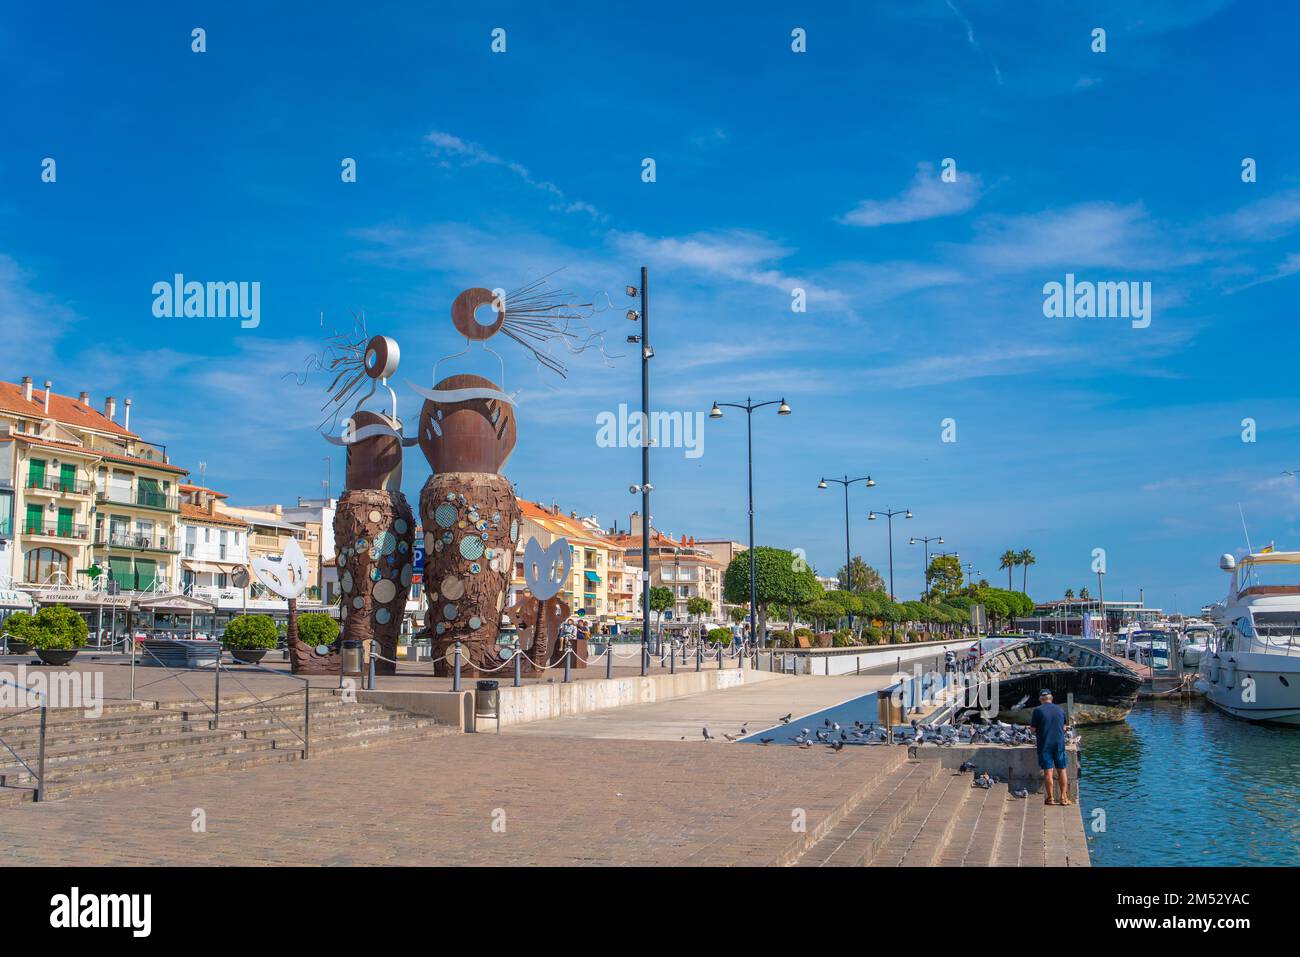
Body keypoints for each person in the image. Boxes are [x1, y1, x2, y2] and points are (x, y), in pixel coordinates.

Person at [1029, 689, 1070, 806]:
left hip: (1045, 745)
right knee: (1062, 770)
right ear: (1051, 699)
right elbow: (1064, 728)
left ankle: (1051, 798)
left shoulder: (1037, 711)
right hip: (1059, 745)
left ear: (1040, 700)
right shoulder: (1061, 710)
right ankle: (1063, 798)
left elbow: (1032, 729)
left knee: (1048, 771)